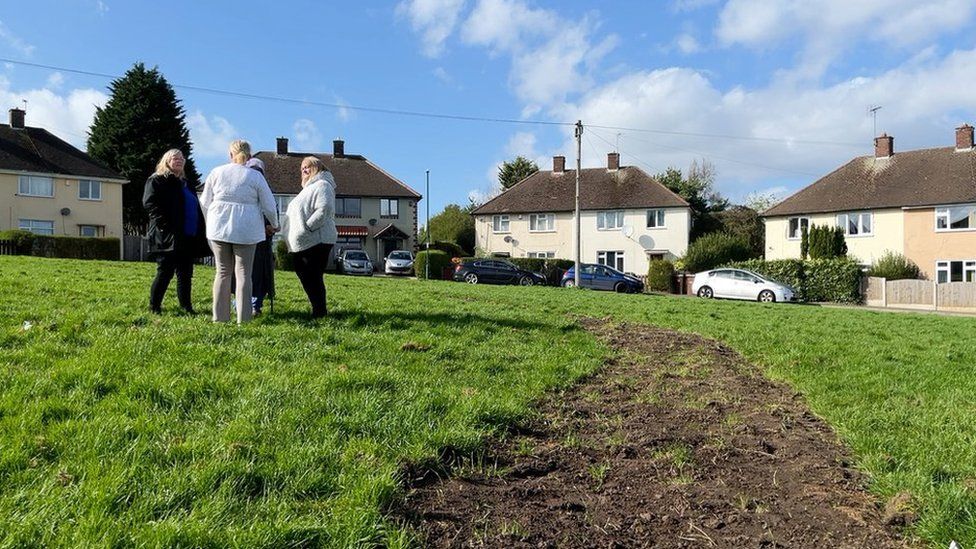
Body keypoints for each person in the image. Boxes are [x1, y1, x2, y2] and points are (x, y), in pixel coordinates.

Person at [200, 140, 279, 323]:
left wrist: (209, 222)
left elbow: (204, 202)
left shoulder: (216, 172)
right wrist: (274, 223)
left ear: (230, 154)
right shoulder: (255, 176)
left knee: (222, 272)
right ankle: (243, 319)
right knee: (244, 273)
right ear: (249, 156)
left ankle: (220, 318)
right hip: (247, 228)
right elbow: (268, 205)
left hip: (219, 227)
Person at [143, 148, 211, 315]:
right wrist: (164, 225)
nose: (179, 160)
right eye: (175, 158)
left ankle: (186, 307)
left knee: (185, 274)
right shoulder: (157, 180)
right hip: (167, 235)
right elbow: (149, 203)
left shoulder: (186, 183)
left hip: (188, 235)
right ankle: (154, 307)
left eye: (181, 158)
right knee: (165, 272)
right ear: (167, 161)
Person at [283, 156, 337, 318]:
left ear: (318, 168)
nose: (304, 170)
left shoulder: (323, 185)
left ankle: (320, 311)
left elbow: (324, 209)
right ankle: (318, 309)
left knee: (312, 276)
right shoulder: (307, 189)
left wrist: (307, 227)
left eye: (308, 166)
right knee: (307, 276)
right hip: (304, 241)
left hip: (316, 240)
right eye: (302, 168)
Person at [245, 157, 275, 315]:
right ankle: (244, 304)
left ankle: (256, 305)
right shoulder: (243, 187)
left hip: (263, 239)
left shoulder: (266, 188)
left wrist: (271, 226)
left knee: (260, 273)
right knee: (247, 272)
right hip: (248, 236)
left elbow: (270, 210)